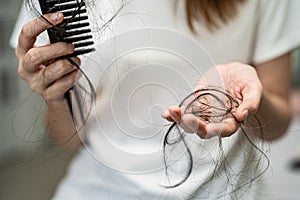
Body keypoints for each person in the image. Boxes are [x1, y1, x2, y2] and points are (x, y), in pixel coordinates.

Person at [12, 0, 300, 199]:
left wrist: (251, 99)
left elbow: (276, 127)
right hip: (102, 188)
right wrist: (56, 96)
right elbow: (69, 138)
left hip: (231, 189)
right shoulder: (55, 7)